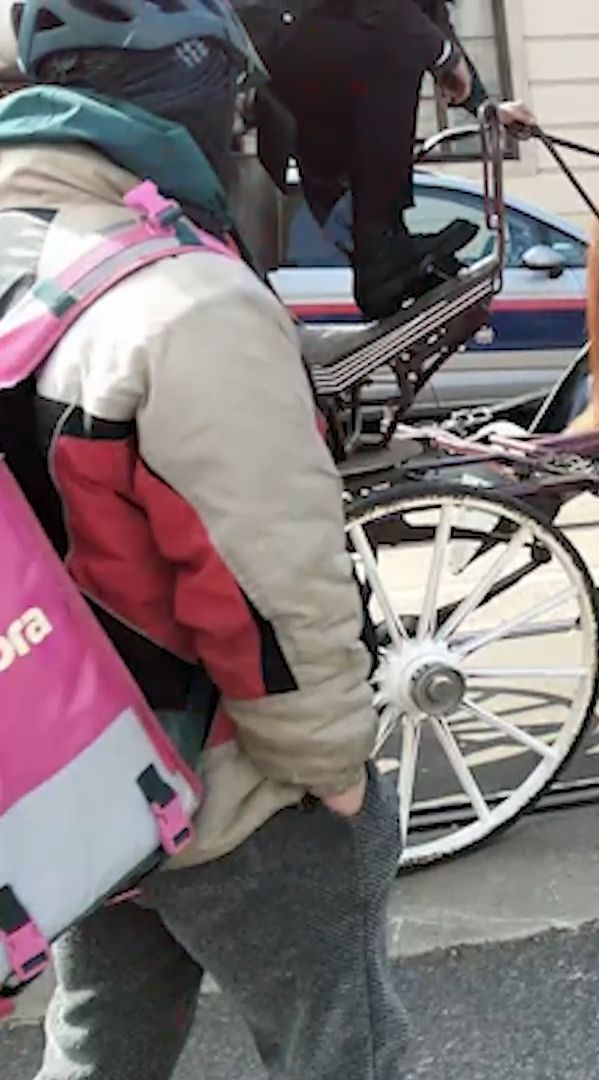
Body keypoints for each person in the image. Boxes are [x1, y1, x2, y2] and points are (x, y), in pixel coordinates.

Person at [0, 1, 408, 1075]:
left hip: (80, 772)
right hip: (229, 788)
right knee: (344, 1048)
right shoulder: (188, 300)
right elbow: (265, 575)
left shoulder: (17, 252)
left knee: (102, 1043)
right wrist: (332, 766)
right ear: (200, 94)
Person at [233, 0, 526, 319]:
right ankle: (378, 248)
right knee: (399, 40)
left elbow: (431, 19)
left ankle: (388, 250)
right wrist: (445, 57)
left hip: (314, 52)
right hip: (272, 37)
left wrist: (485, 107)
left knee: (404, 36)